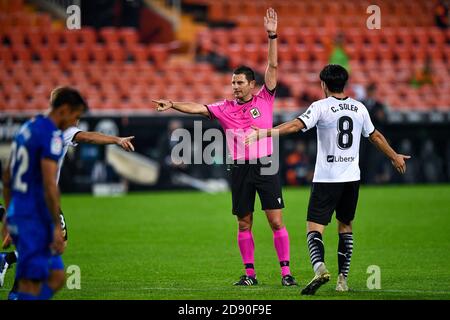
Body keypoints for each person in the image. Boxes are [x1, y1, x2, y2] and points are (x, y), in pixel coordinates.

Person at [153, 8, 297, 287]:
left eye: (239, 83)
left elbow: (274, 67)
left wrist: (272, 36)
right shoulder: (224, 107)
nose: (234, 87)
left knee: (276, 222)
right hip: (240, 167)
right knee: (244, 223)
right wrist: (173, 104)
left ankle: (286, 273)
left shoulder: (265, 99)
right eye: (232, 83)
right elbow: (198, 108)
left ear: (252, 85)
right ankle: (250, 274)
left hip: (266, 164)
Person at [246, 64, 410, 294]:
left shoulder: (321, 107)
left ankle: (319, 267)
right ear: (345, 84)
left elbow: (295, 126)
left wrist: (264, 132)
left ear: (323, 84)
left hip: (326, 178)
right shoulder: (359, 108)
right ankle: (342, 280)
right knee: (345, 225)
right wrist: (394, 156)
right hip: (351, 178)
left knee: (314, 228)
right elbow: (375, 135)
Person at [1, 86, 135, 299]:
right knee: (38, 276)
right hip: (37, 210)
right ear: (64, 109)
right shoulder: (55, 134)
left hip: (21, 207)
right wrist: (54, 225)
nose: (77, 120)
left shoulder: (28, 127)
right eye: (76, 115)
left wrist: (9, 215)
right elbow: (49, 183)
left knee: (55, 276)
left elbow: (7, 176)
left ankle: (12, 278)